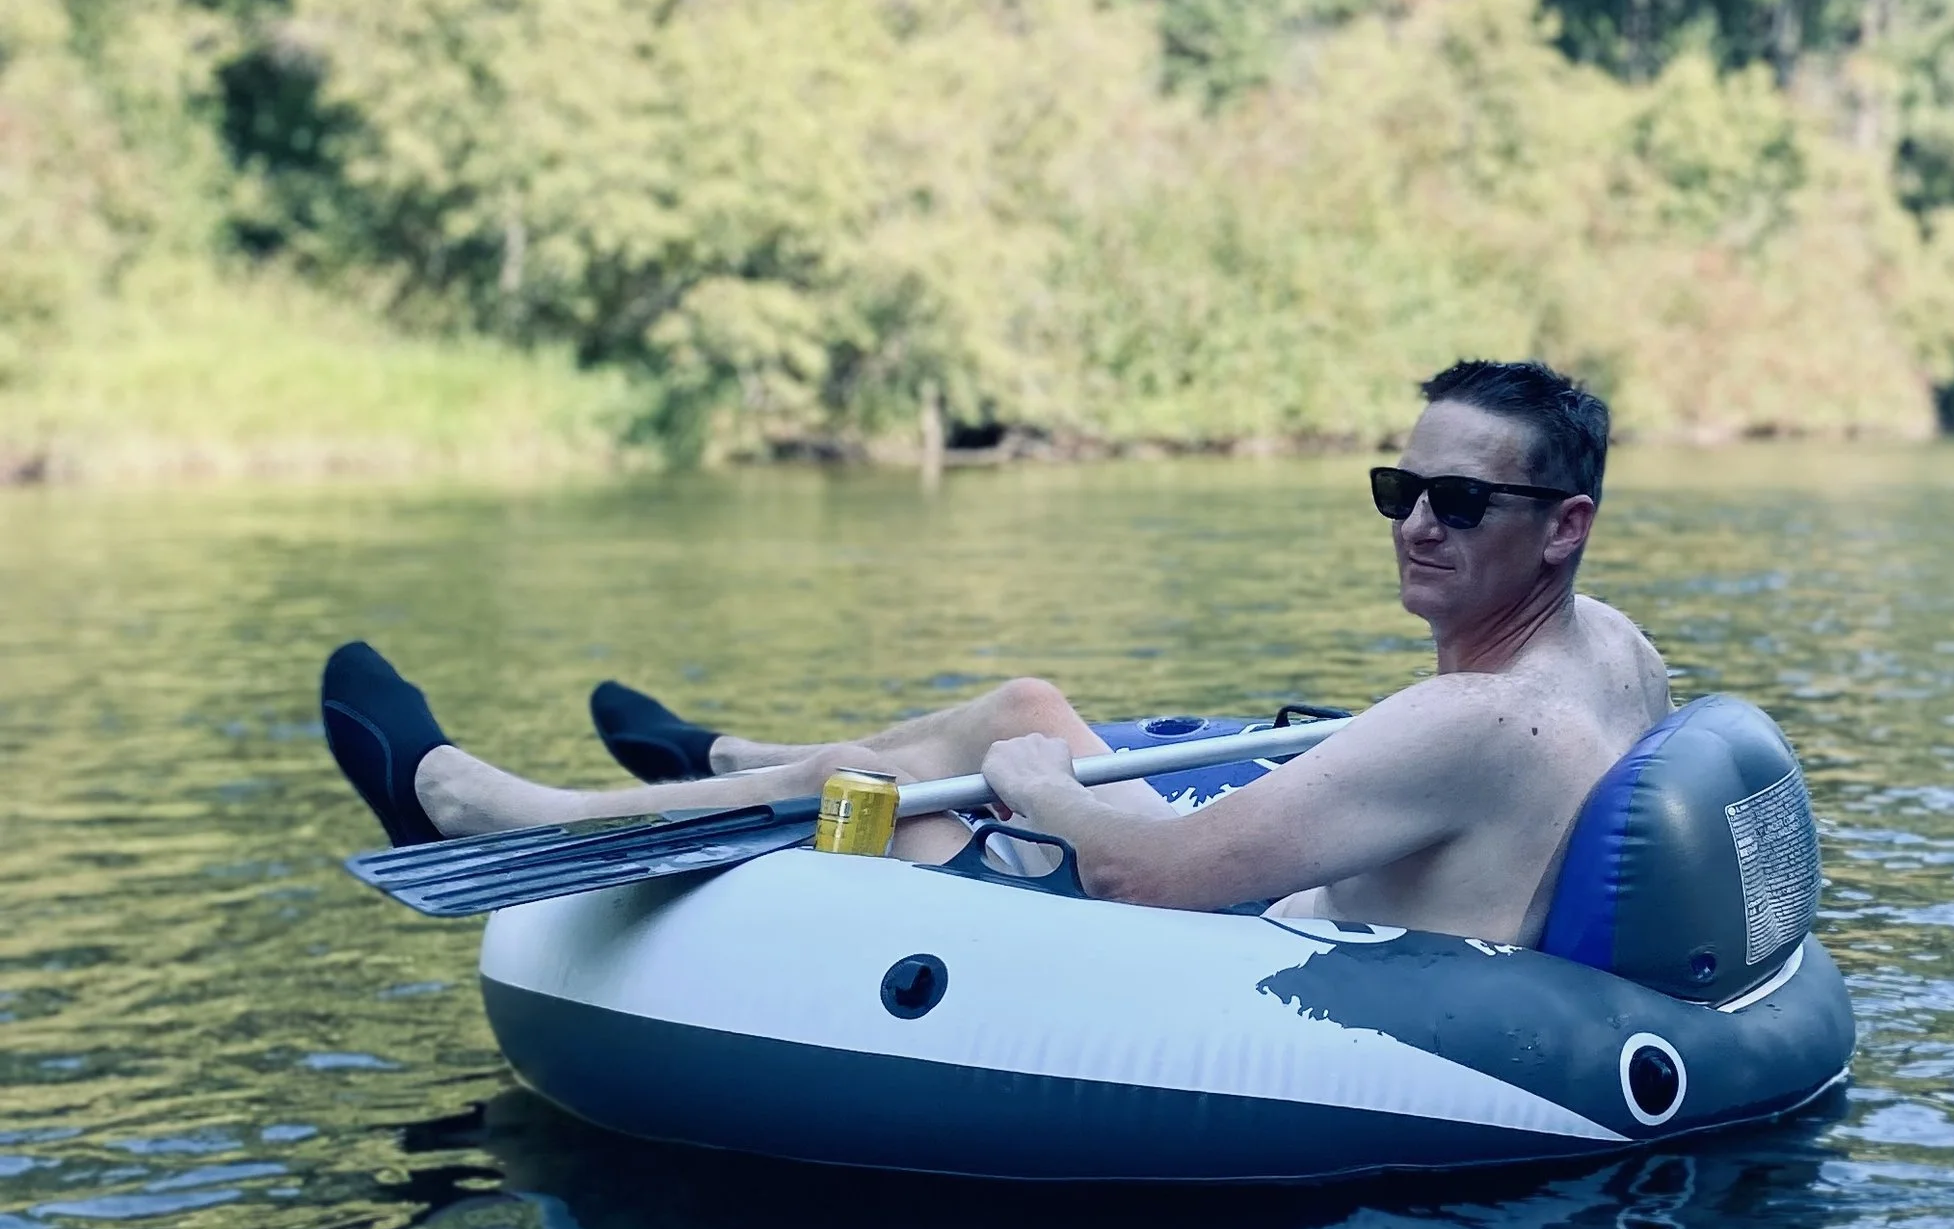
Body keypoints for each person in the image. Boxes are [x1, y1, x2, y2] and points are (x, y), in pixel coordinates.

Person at [321, 357, 1671, 946]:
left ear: (1563, 527)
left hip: (1249, 944)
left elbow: (1154, 885)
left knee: (860, 786)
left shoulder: (1478, 724)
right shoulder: (1613, 649)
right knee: (1025, 697)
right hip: (1314, 894)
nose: (1417, 525)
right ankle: (721, 754)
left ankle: (486, 809)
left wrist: (1042, 796)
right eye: (1399, 489)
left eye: (1459, 503)